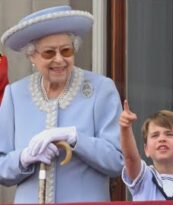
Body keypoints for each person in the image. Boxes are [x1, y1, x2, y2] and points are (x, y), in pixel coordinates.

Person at [0, 5, 123, 203]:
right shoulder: (15, 95)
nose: (59, 59)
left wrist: (75, 138)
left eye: (66, 51)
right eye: (49, 53)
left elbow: (117, 161)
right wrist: (23, 158)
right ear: (32, 56)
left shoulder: (100, 89)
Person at [119, 100, 173, 200]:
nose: (161, 139)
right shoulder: (144, 178)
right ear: (146, 149)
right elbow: (130, 159)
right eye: (155, 135)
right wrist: (125, 128)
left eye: (169, 134)